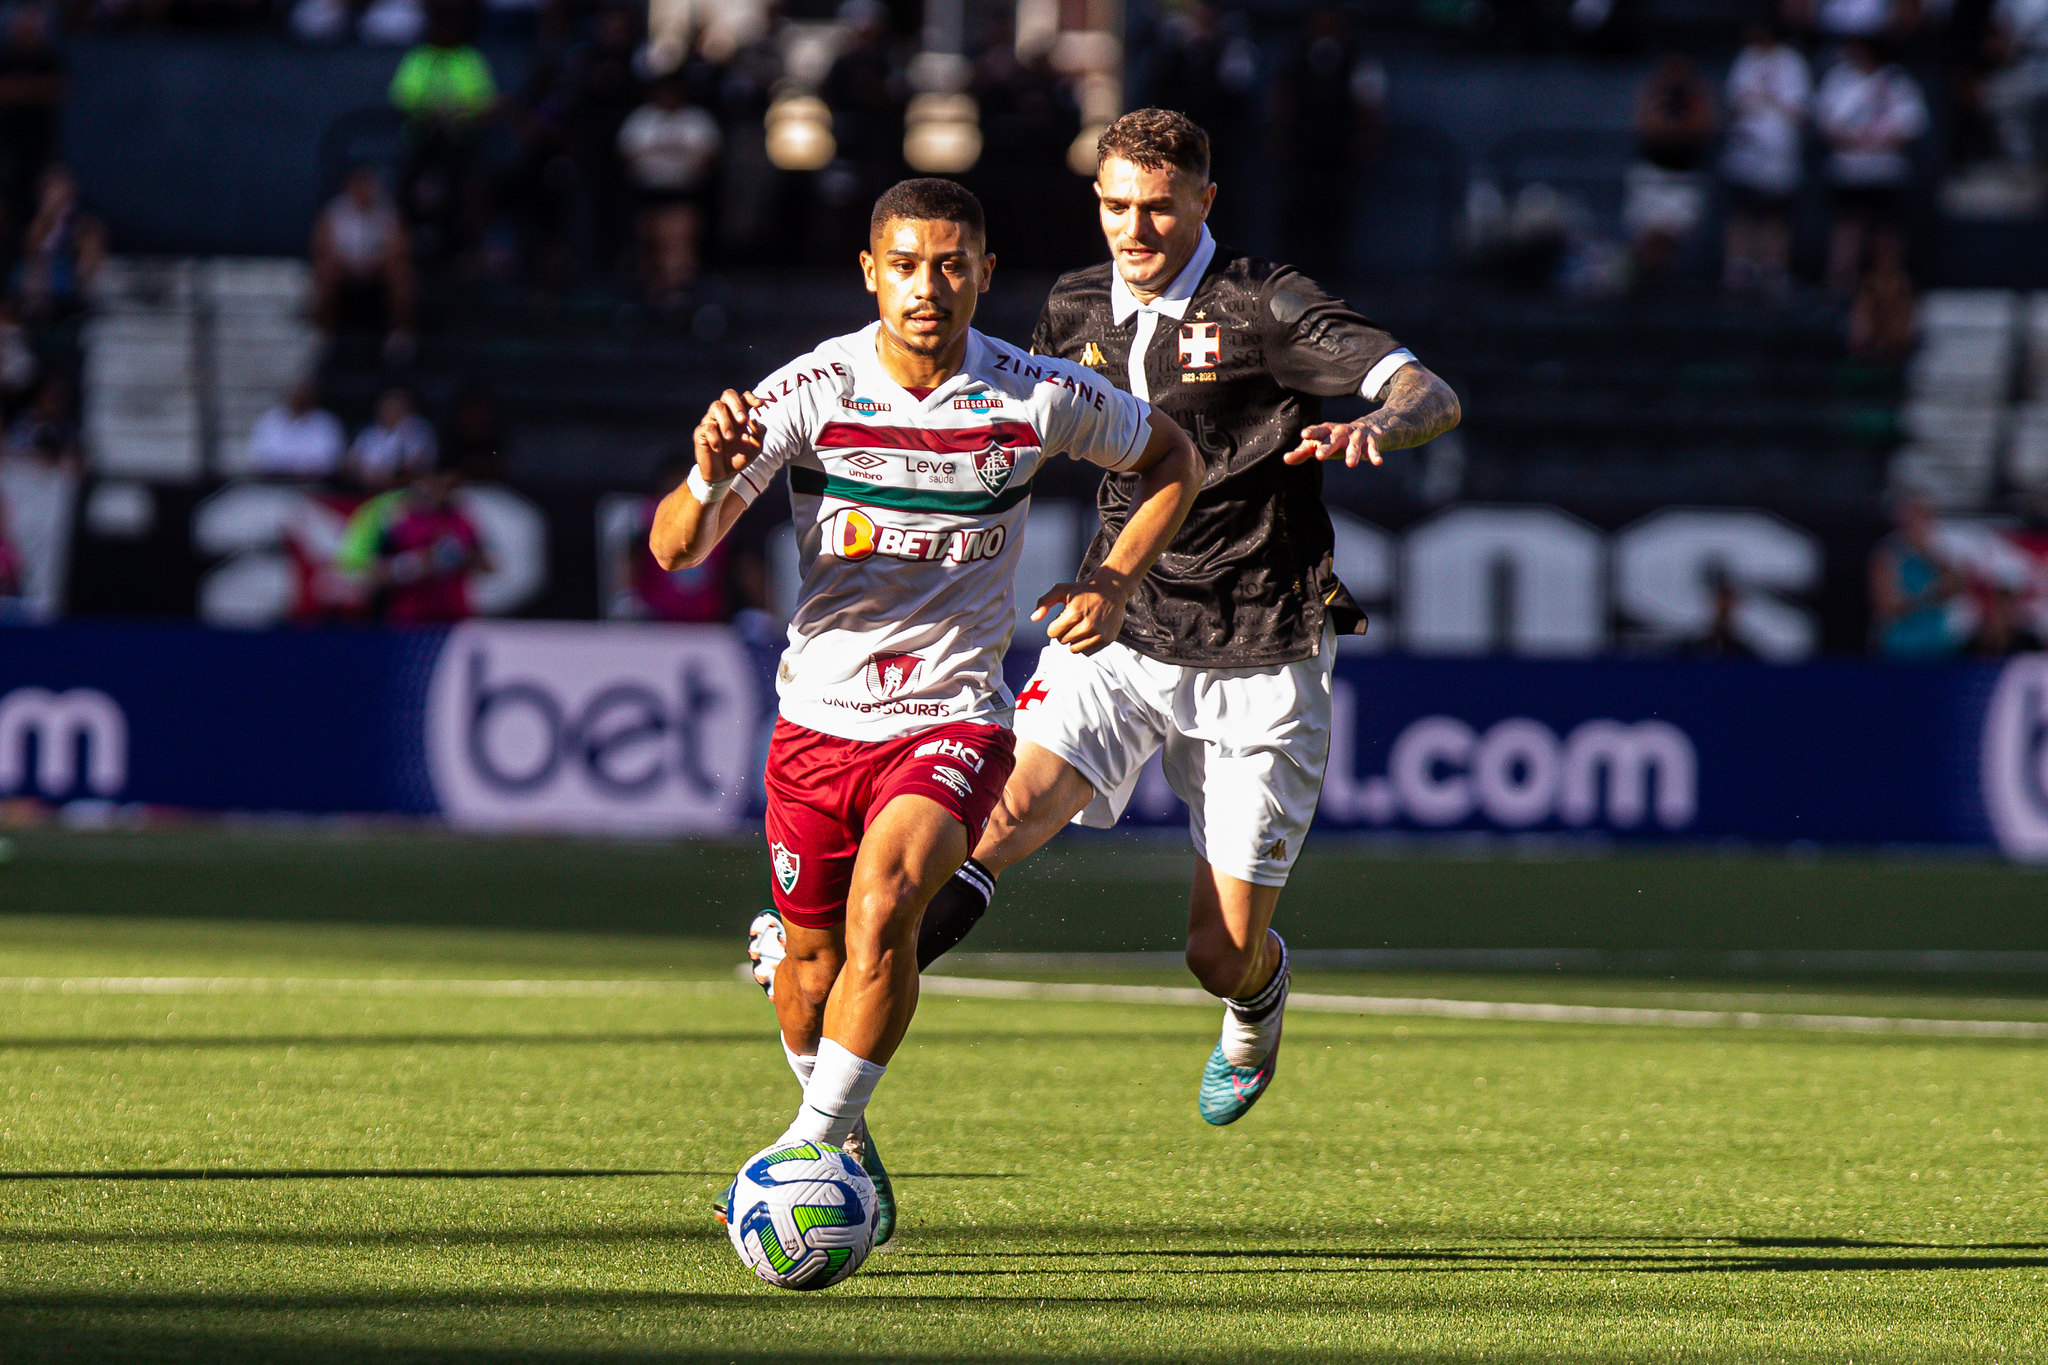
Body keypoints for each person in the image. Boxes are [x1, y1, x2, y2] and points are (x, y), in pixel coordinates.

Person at [749, 111, 1460, 1135]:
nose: (1135, 229)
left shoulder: (1265, 303)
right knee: (975, 837)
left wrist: (1381, 423)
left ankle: (1256, 1003)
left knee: (1214, 954)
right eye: (1116, 206)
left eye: (1159, 208)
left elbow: (1421, 387)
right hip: (1114, 636)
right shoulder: (1074, 305)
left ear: (1204, 203)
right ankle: (828, 1126)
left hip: (1260, 646)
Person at [664, 178, 1199, 1248]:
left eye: (951, 264)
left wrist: (1112, 579)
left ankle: (809, 1156)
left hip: (949, 712)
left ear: (984, 275)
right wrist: (704, 474)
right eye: (905, 264)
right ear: (869, 273)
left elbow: (1172, 460)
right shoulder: (809, 392)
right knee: (811, 977)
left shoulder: (1034, 394)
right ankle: (840, 1135)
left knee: (890, 906)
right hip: (816, 719)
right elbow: (677, 549)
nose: (928, 286)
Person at [1815, 41, 1927, 293]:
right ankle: (1839, 286)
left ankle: (1890, 286)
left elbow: (1912, 123)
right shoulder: (1839, 78)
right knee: (1848, 227)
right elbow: (1826, 122)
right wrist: (1854, 138)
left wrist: (1878, 139)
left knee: (1886, 231)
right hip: (1848, 169)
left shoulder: (1896, 80)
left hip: (1886, 171)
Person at [1721, 20, 1811, 298]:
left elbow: (1799, 111)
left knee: (1775, 215)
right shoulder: (1745, 58)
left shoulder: (1792, 62)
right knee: (1743, 213)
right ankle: (1738, 271)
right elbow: (1733, 101)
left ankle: (1772, 271)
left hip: (1779, 154)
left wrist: (1768, 97)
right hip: (1746, 150)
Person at [336, 461, 489, 623]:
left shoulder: (461, 522)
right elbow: (373, 572)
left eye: (449, 486)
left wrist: (461, 557)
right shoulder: (400, 522)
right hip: (410, 617)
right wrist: (413, 565)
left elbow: (487, 566)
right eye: (437, 484)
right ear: (423, 484)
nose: (442, 491)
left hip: (453, 616)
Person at [617, 77, 722, 308]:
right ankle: (652, 295)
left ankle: (679, 294)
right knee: (650, 244)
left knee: (678, 242)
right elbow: (626, 154)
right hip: (648, 193)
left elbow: (710, 156)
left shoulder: (696, 120)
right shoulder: (642, 119)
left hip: (683, 193)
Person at [1625, 53, 1719, 281]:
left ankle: (1665, 282)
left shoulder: (1696, 96)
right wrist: (1672, 130)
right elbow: (1648, 129)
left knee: (1668, 234)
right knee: (1647, 236)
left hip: (1684, 178)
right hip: (1652, 175)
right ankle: (1644, 282)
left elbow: (1701, 130)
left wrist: (1675, 131)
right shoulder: (1653, 92)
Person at [311, 166, 416, 356]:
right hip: (345, 270)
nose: (363, 190)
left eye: (367, 185)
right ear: (349, 188)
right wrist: (350, 265)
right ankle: (323, 336)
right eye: (358, 186)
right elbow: (322, 248)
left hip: (377, 271)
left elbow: (399, 248)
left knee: (401, 275)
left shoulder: (387, 212)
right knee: (324, 272)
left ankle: (400, 335)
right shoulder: (333, 212)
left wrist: (373, 263)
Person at [1871, 492, 1969, 657]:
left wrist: (1927, 553)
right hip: (1899, 646)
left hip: (1937, 644)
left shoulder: (1936, 553)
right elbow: (1885, 606)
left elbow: (1957, 586)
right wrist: (1930, 595)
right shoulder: (1886, 554)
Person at [245, 380, 347, 478]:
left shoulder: (326, 423)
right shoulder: (270, 420)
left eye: (304, 394)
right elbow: (259, 455)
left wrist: (294, 465)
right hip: (274, 485)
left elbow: (329, 459)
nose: (299, 398)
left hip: (315, 486)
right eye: (296, 394)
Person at [346, 387, 438, 488]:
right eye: (386, 406)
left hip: (405, 490)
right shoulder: (370, 431)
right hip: (364, 488)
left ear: (407, 407)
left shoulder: (418, 429)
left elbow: (416, 465)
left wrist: (385, 480)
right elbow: (350, 463)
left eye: (395, 406)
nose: (389, 410)